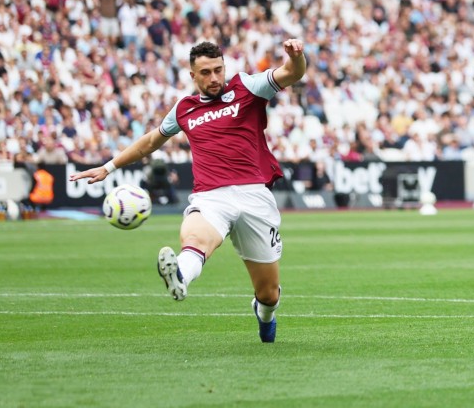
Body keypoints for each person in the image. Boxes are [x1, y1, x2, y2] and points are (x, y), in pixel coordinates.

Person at [70, 40, 307, 343]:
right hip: (211, 196)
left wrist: (297, 57)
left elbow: (292, 74)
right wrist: (109, 167)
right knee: (194, 239)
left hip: (254, 195)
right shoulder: (184, 109)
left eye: (218, 70)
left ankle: (265, 314)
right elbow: (151, 141)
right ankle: (179, 276)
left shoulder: (248, 87)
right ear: (193, 76)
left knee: (269, 293)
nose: (214, 78)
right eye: (205, 73)